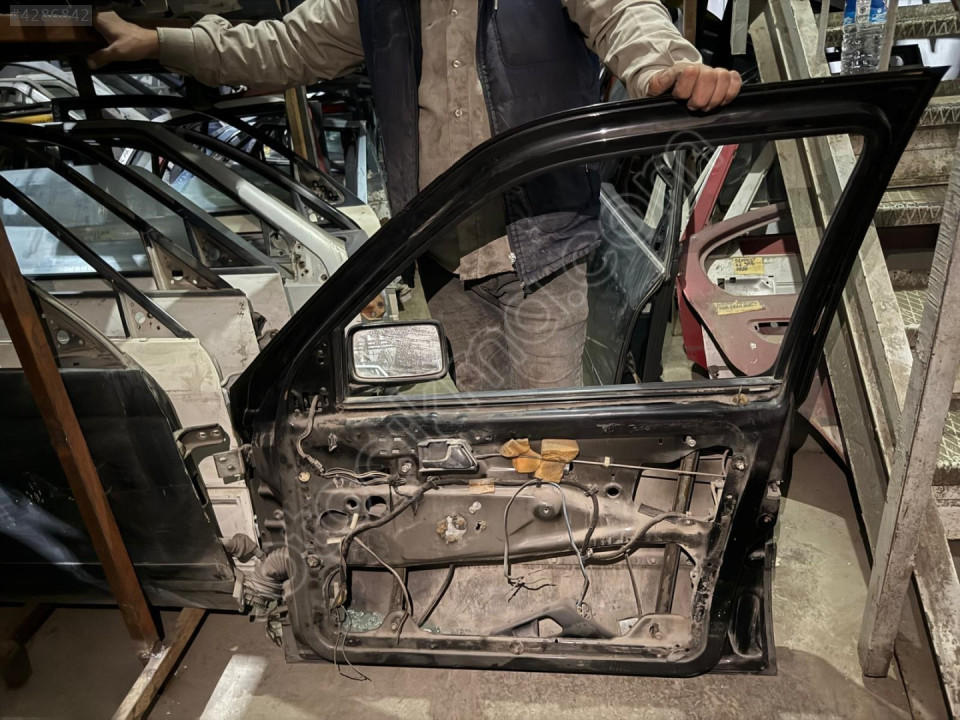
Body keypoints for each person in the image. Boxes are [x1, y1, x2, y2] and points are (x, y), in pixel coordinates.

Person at [91, 1, 741, 392]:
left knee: (547, 434)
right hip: (443, 254)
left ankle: (553, 556)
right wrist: (162, 43)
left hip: (543, 247)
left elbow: (624, 14)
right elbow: (281, 46)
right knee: (485, 430)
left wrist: (669, 65)